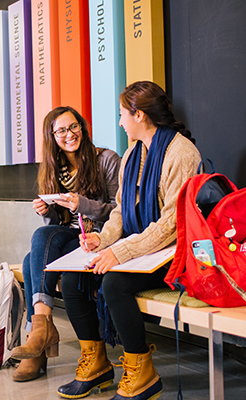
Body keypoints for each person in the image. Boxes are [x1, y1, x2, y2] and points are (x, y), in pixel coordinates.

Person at [56, 81, 202, 400]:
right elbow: (122, 209)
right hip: (141, 250)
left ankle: (142, 372)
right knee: (71, 281)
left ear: (140, 115)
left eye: (123, 114)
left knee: (113, 284)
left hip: (173, 255)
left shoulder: (181, 153)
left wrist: (120, 252)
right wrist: (102, 239)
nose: (120, 122)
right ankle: (96, 365)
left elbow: (172, 224)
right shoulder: (133, 154)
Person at [11, 106, 121, 382]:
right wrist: (46, 211)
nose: (69, 134)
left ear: (82, 127)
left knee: (29, 260)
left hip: (97, 236)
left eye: (74, 127)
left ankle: (37, 339)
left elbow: (119, 210)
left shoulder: (105, 159)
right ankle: (41, 329)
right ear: (52, 136)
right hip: (68, 236)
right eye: (61, 130)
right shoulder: (53, 168)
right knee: (37, 244)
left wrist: (82, 204)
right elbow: (57, 224)